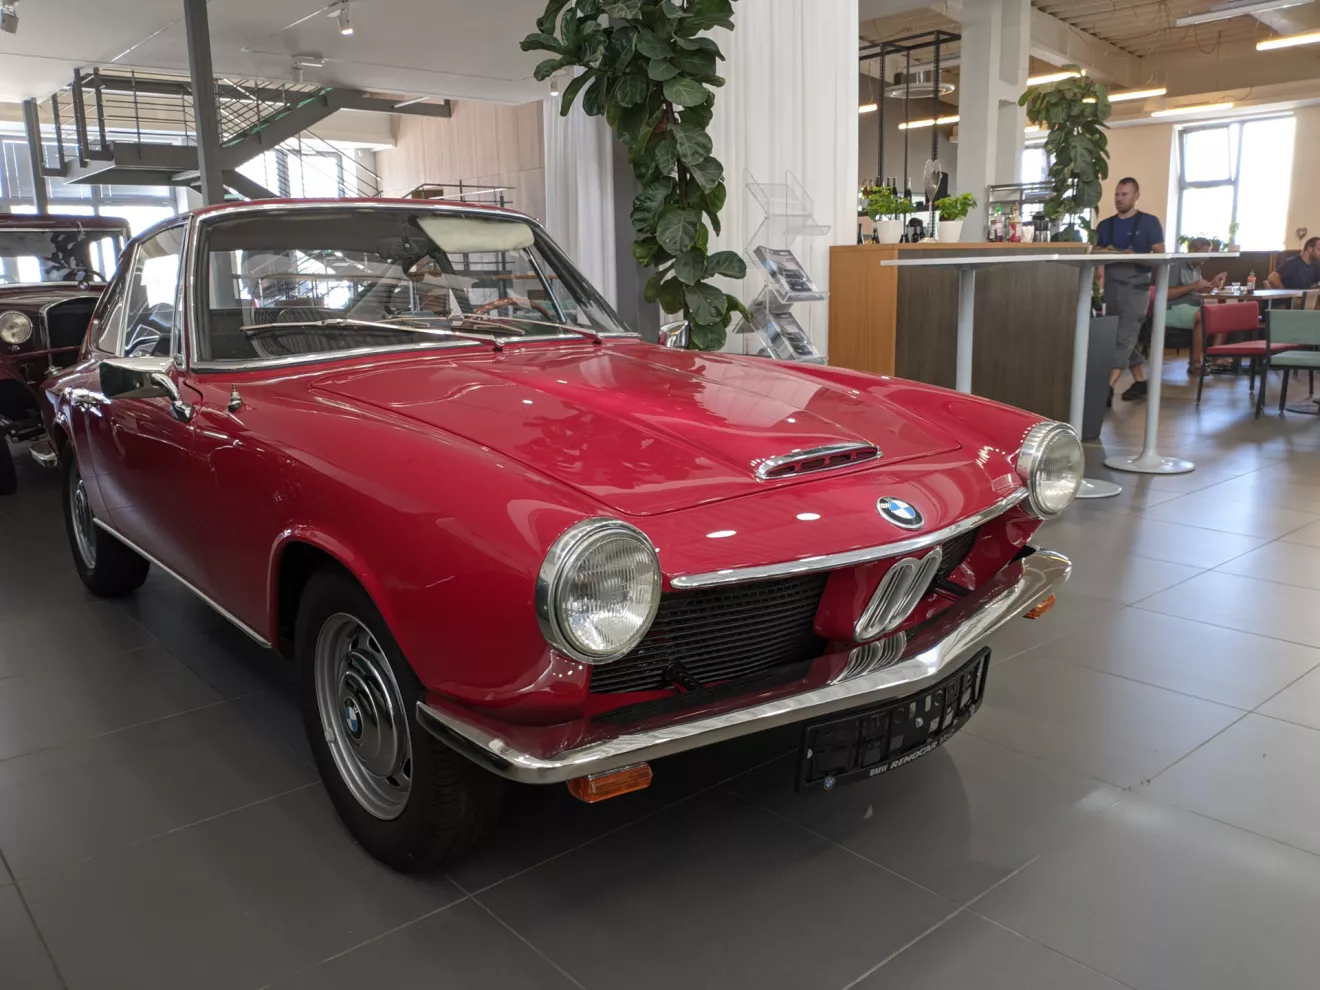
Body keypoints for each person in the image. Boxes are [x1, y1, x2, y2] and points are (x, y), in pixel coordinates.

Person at [1096, 177, 1166, 402]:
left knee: (1124, 336)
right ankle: (1140, 382)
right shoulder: (1105, 225)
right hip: (1112, 287)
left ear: (1136, 196)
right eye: (1117, 195)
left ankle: (1106, 388)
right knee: (1124, 335)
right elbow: (1094, 253)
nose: (1119, 199)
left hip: (1137, 288)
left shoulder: (1149, 223)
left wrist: (1135, 256)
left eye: (1124, 194)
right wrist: (1106, 253)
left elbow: (1160, 256)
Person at [1166, 237, 1228, 374]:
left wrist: (1212, 284)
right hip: (1172, 308)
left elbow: (1198, 290)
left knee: (1222, 314)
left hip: (1192, 307)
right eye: (1204, 252)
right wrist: (1194, 285)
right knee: (1204, 315)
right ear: (1193, 251)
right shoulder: (1175, 265)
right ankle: (1195, 363)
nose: (1207, 257)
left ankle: (1215, 357)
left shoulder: (1196, 267)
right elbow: (1166, 294)